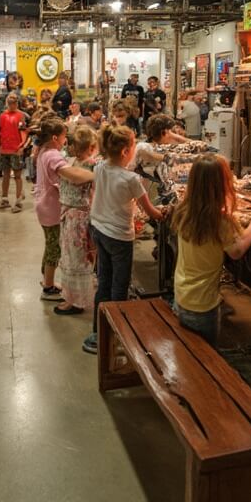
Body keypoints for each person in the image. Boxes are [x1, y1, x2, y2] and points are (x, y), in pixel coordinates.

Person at [82, 125, 164, 354]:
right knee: (119, 286)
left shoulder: (99, 168)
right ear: (127, 150)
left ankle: (99, 333)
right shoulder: (131, 179)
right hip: (119, 236)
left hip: (99, 229)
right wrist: (166, 212)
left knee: (104, 281)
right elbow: (151, 212)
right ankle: (117, 336)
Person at [172, 155, 251, 345]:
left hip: (182, 296)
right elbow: (236, 251)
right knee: (205, 354)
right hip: (203, 306)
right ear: (222, 185)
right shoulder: (219, 222)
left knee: (190, 349)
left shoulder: (184, 211)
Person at [33, 119, 94, 303]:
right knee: (54, 248)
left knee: (50, 244)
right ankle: (49, 288)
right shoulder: (52, 155)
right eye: (62, 137)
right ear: (54, 137)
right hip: (50, 207)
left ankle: (47, 281)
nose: (65, 141)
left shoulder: (45, 151)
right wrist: (100, 174)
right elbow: (73, 175)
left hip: (44, 204)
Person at [54, 125, 98, 316]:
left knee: (77, 258)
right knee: (72, 257)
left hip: (78, 217)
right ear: (91, 146)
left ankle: (77, 300)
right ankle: (73, 296)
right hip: (73, 216)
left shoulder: (81, 164)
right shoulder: (77, 163)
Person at [0, 93, 29, 213]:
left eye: (14, 102)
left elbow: (24, 132)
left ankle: (18, 201)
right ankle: (4, 199)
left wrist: (22, 146)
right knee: (5, 175)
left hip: (16, 149)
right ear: (7, 103)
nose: (12, 105)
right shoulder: (2, 116)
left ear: (17, 103)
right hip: (4, 149)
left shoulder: (21, 115)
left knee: (18, 176)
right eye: (10, 102)